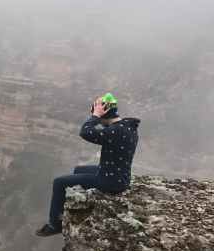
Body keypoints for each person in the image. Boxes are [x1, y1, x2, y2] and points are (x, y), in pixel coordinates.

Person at [36, 92, 141, 237]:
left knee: (59, 182)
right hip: (119, 174)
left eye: (99, 114)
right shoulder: (128, 127)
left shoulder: (115, 131)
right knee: (78, 170)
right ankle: (76, 203)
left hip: (110, 181)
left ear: (104, 114)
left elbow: (85, 132)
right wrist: (100, 115)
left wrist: (95, 116)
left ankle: (54, 224)